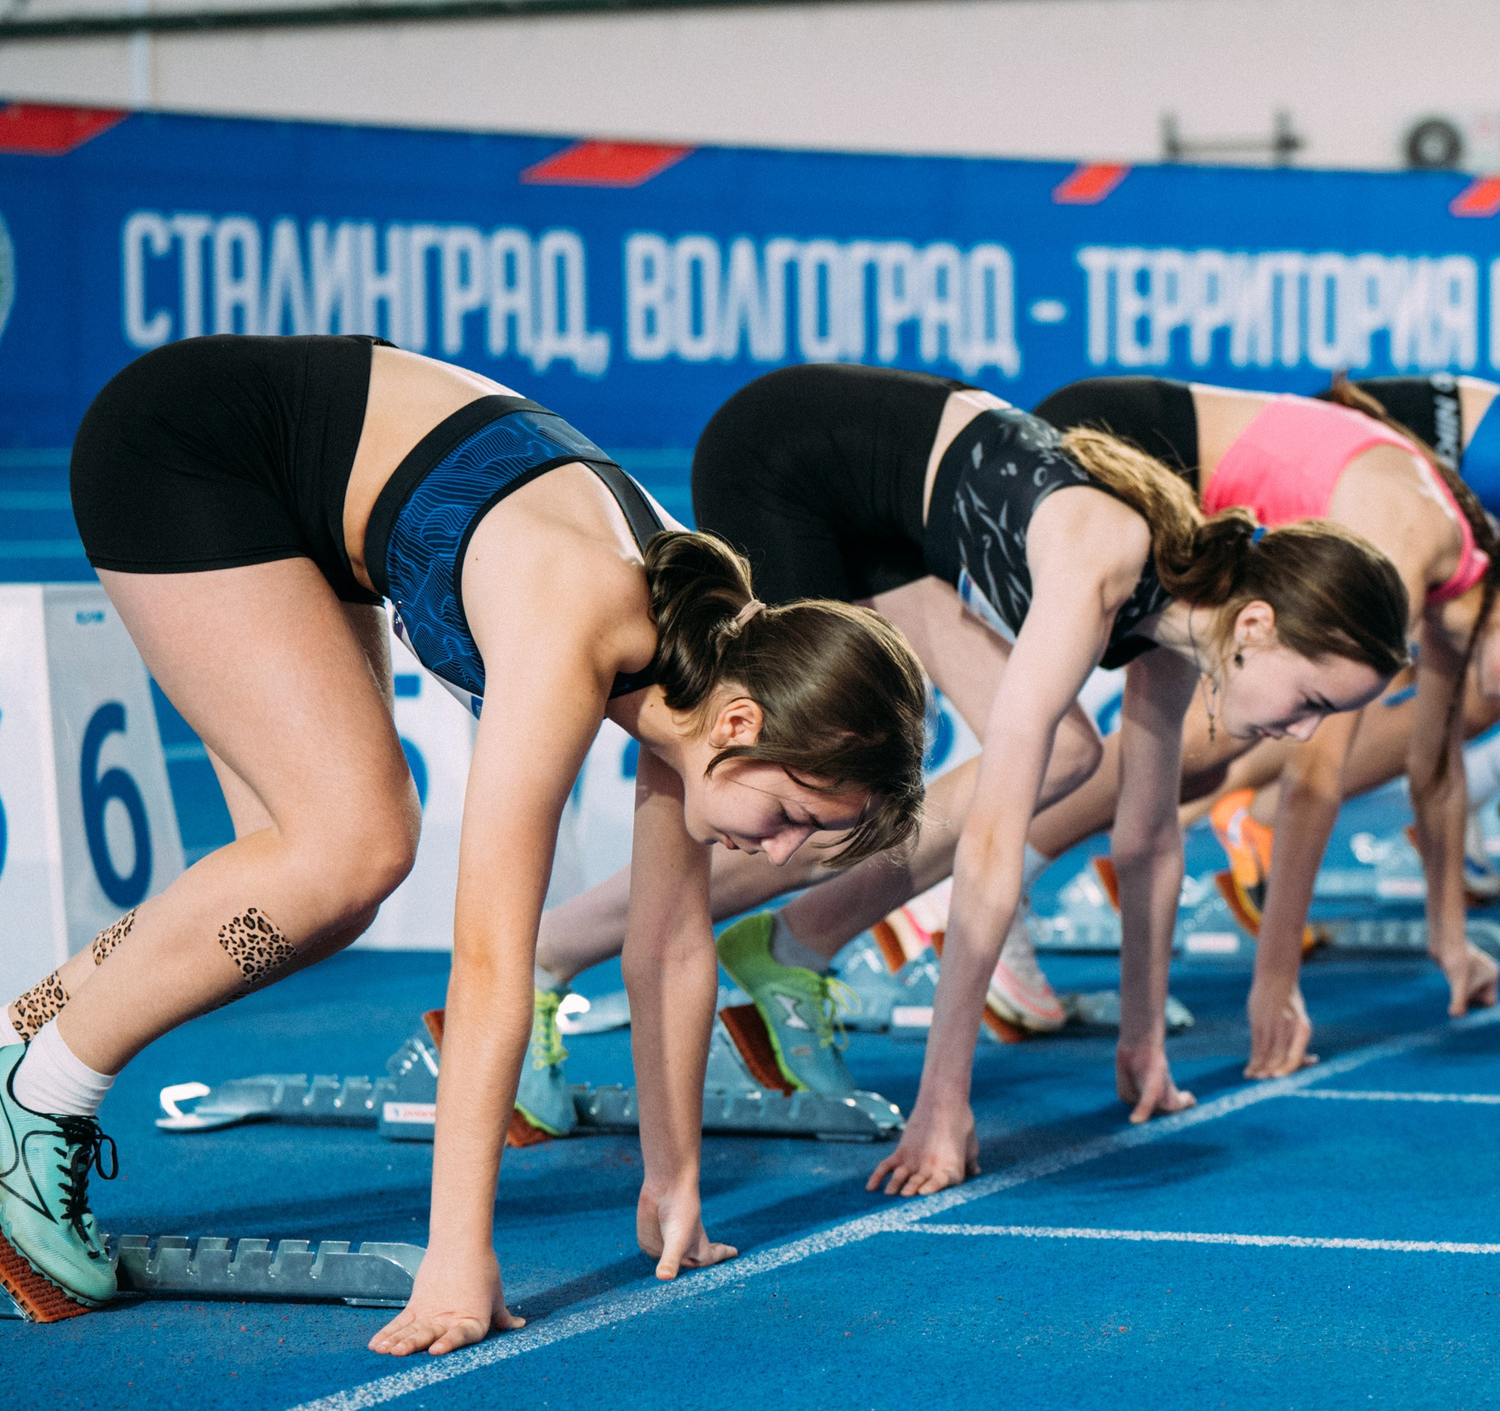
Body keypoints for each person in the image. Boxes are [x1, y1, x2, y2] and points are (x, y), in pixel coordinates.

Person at [0, 334, 929, 1354]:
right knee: (352, 848)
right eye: (793, 815)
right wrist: (456, 1253)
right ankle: (38, 1090)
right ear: (742, 726)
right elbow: (491, 962)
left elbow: (670, 942)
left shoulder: (713, 661)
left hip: (294, 480)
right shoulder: (582, 622)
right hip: (192, 447)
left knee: (314, 889)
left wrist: (675, 1179)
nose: (781, 854)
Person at [527, 364, 1410, 1196]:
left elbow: (1147, 835)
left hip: (891, 515)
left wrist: (1144, 1039)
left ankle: (789, 948)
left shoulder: (1183, 619)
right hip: (787, 459)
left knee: (1068, 756)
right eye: (1311, 700)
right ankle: (550, 954)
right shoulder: (1104, 563)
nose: (1302, 733)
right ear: (1256, 626)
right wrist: (942, 1101)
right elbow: (992, 843)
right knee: (819, 798)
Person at [1027, 376, 1500, 1076]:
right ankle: (976, 897)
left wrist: (1449, 938)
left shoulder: (1458, 584)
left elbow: (1435, 769)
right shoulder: (1409, 558)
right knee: (1188, 741)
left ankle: (993, 887)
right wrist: (1275, 981)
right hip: (1119, 442)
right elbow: (1315, 781)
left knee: (1192, 755)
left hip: (1159, 463)